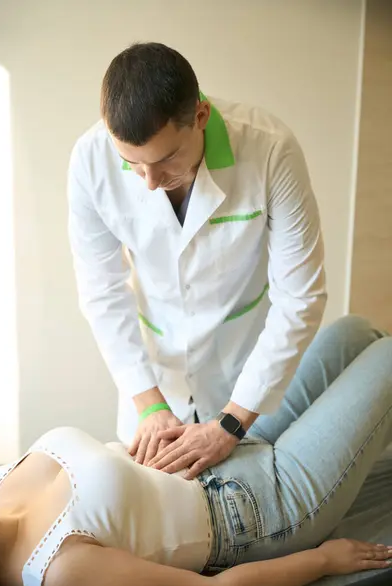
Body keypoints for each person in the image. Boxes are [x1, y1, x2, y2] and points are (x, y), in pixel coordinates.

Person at [0, 316, 391, 586]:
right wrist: (323, 561)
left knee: (351, 333)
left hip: (212, 447)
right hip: (258, 509)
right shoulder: (60, 574)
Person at [68, 42, 327, 475]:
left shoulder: (270, 151)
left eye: (166, 159)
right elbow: (101, 290)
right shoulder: (90, 160)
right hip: (152, 381)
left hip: (241, 377)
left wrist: (232, 421)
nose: (149, 183)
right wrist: (149, 405)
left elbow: (301, 297)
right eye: (131, 163)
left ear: (201, 117)